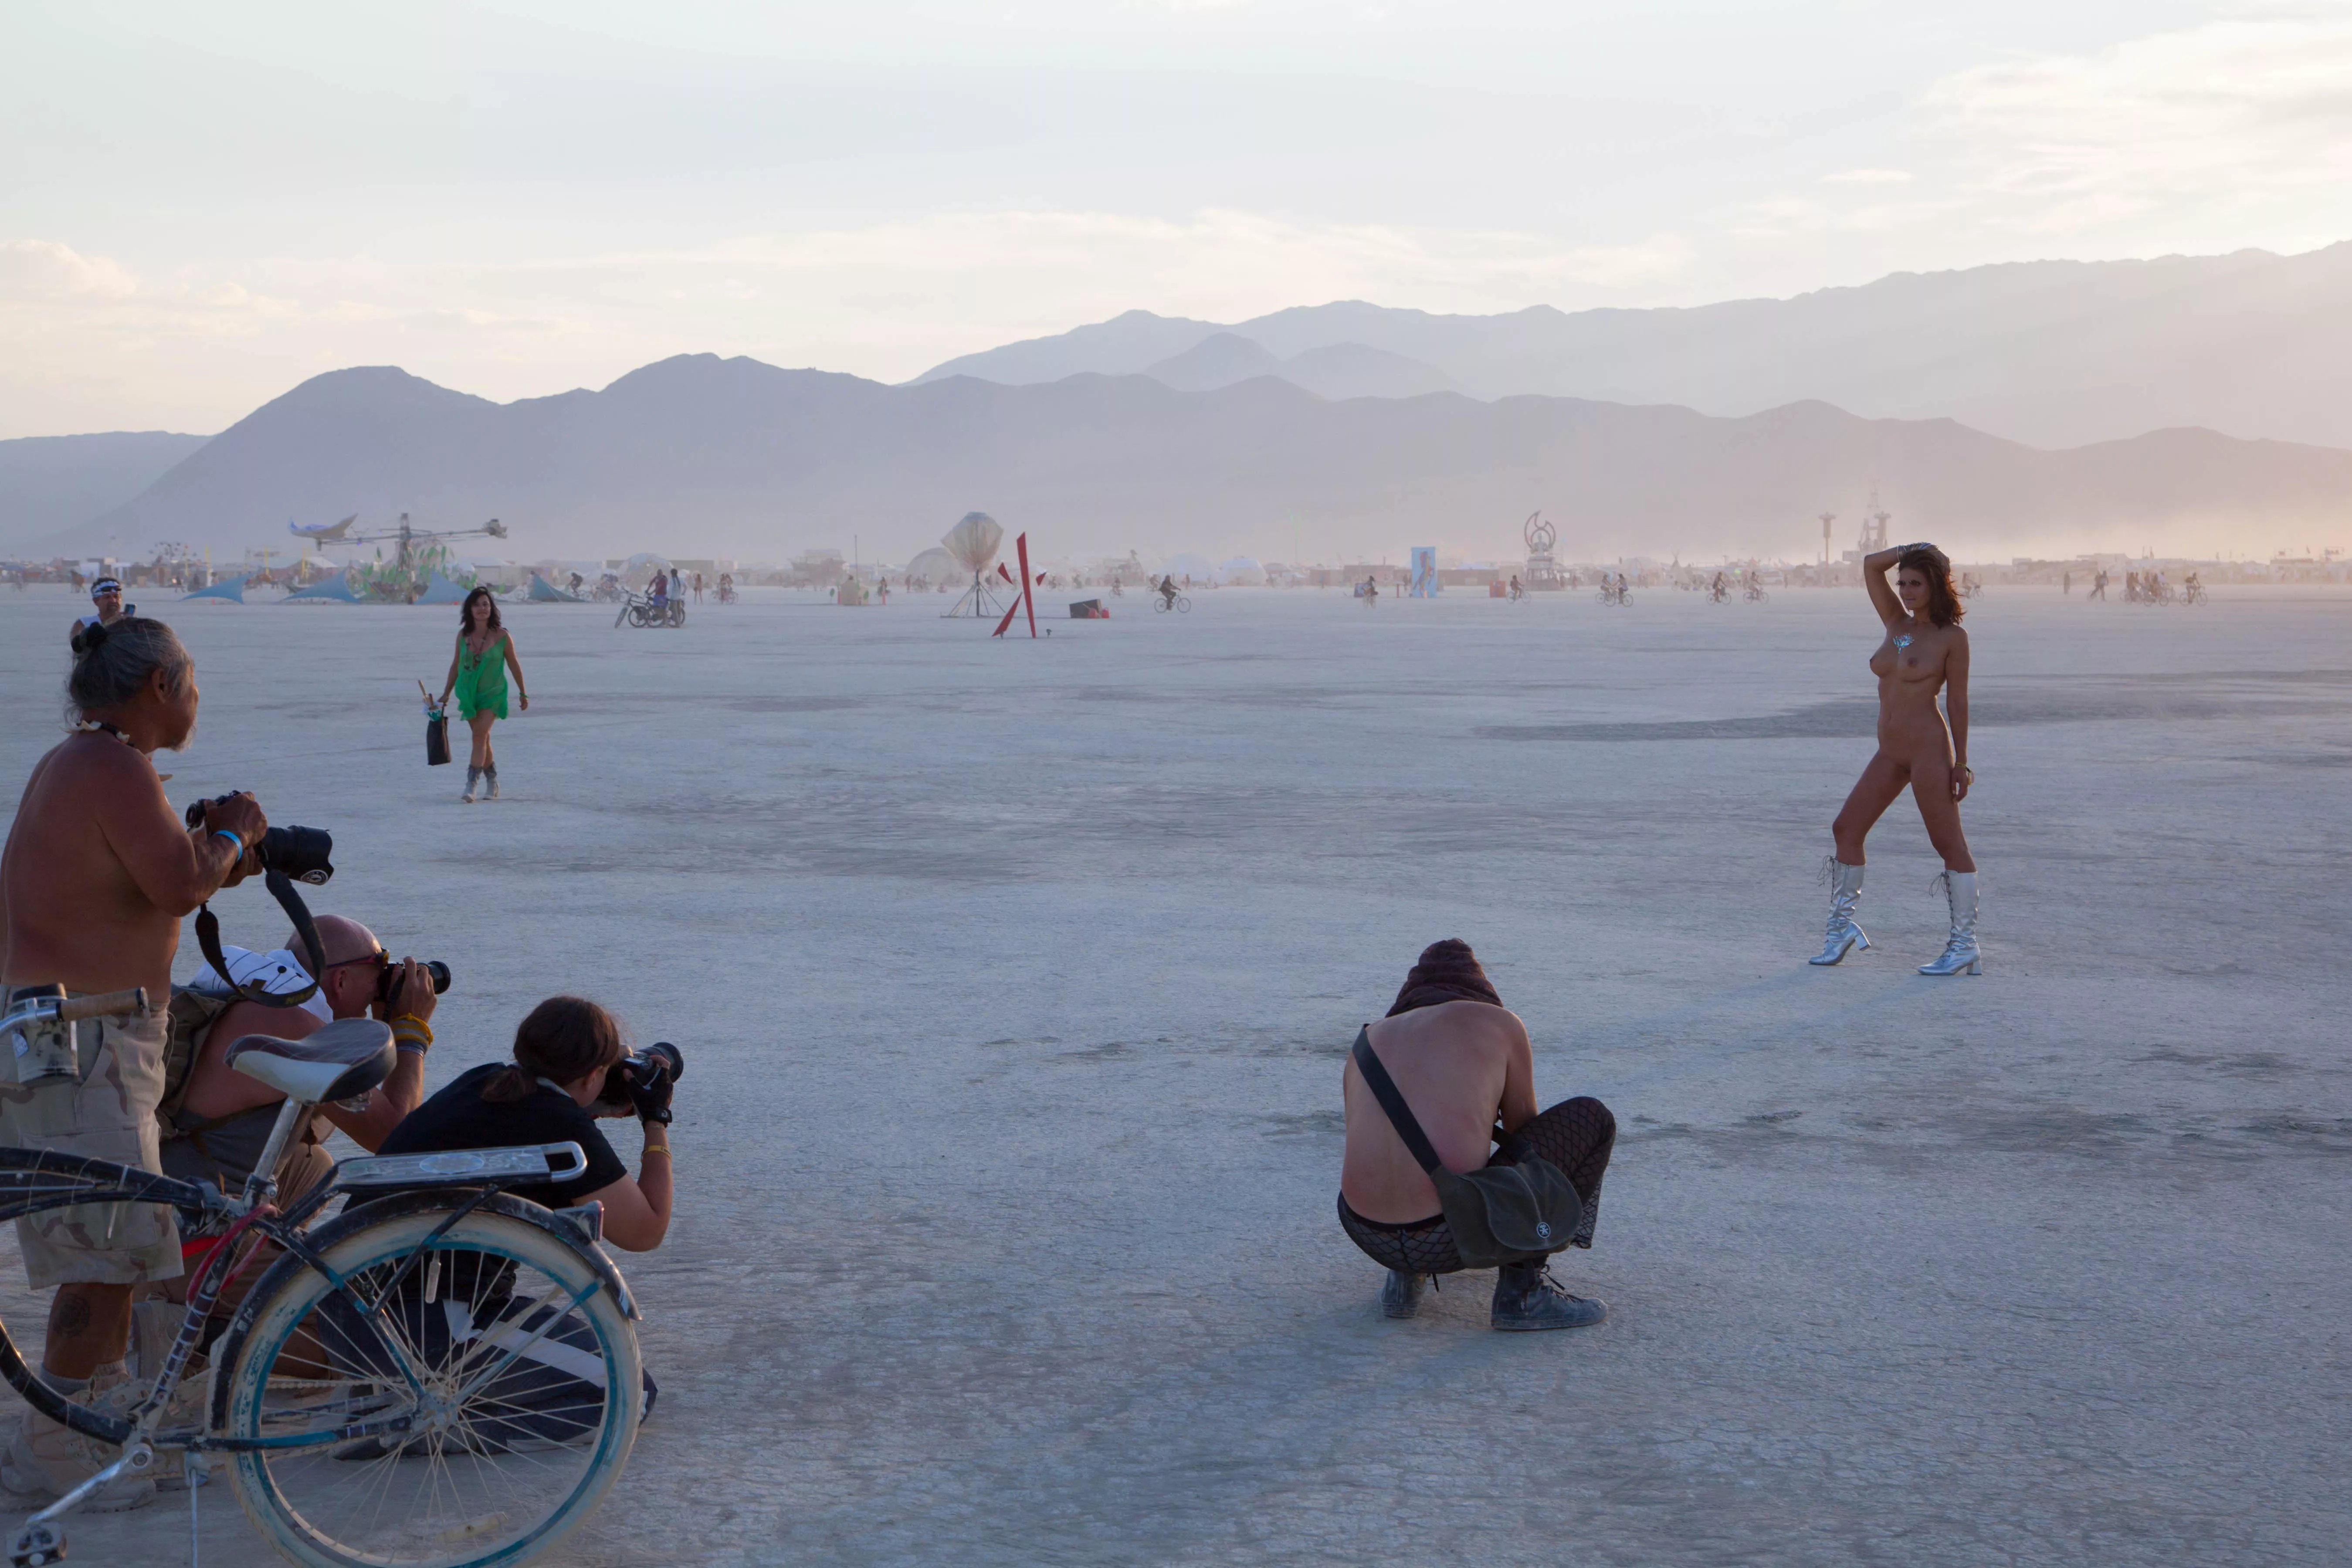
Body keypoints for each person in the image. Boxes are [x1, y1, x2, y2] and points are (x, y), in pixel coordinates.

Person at [0, 617, 264, 1505]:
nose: (196, 702)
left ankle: (70, 1428)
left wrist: (208, 848)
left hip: (75, 1032)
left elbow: (147, 881)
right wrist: (231, 832)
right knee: (106, 1249)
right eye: (191, 684)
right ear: (159, 685)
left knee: (115, 1242)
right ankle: (54, 1444)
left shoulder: (81, 762)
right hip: (85, 1034)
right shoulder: (111, 766)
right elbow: (181, 884)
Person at [350, 996, 672, 1448]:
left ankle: (398, 1399)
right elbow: (646, 1229)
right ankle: (417, 1432)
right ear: (591, 1075)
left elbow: (540, 1116)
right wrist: (656, 1118)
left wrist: (600, 1100)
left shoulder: (483, 1082)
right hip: (437, 1327)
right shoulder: (558, 1124)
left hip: (360, 1316)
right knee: (629, 1393)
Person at [1338, 940, 1613, 1331]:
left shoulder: (1366, 1042)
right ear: (1480, 989)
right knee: (1591, 1118)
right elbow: (1526, 1142)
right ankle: (1523, 1293)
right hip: (1445, 1234)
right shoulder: (1500, 1023)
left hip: (1366, 1231)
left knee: (1403, 1150)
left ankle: (1403, 1279)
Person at [162, 916, 437, 1206]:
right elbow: (395, 1139)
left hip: (173, 1170)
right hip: (194, 1210)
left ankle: (260, 1239)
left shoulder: (255, 992)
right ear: (341, 980)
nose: (379, 988)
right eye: (377, 973)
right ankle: (247, 1246)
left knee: (313, 1164)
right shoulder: (294, 1026)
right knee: (315, 1245)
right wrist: (410, 1029)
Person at [1811, 542, 1979, 975]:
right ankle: (1841, 930)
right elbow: (1870, 566)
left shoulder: (1951, 638)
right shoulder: (1895, 623)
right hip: (1889, 751)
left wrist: (1961, 763)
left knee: (1948, 844)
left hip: (1927, 751)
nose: (1905, 590)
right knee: (1846, 827)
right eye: (1902, 581)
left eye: (1915, 583)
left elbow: (1957, 703)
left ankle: (1964, 944)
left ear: (1936, 586)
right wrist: (1908, 548)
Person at [436, 586, 528, 805]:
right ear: (470, 609)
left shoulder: (503, 636)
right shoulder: (463, 636)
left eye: (486, 604)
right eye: (477, 605)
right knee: (482, 739)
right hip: (469, 694)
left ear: (492, 608)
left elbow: (515, 666)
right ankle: (493, 780)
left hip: (494, 694)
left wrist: (523, 693)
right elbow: (456, 665)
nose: (482, 609)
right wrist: (446, 693)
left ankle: (471, 784)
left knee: (479, 737)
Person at [68, 576, 133, 649]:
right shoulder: (84, 624)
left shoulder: (129, 624)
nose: (114, 601)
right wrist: (110, 622)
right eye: (107, 597)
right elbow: (77, 648)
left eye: (116, 596)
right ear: (96, 601)